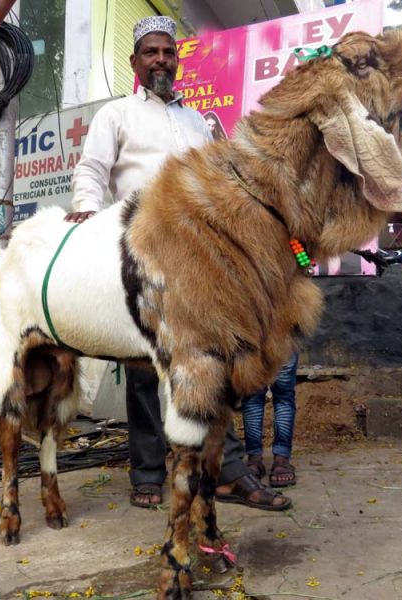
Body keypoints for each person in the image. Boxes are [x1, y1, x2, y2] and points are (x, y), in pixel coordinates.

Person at [66, 15, 290, 512]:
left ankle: (226, 471)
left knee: (216, 364)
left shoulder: (199, 122)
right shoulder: (116, 114)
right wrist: (85, 207)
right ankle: (147, 472)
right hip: (142, 249)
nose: (161, 60)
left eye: (168, 52)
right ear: (136, 62)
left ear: (176, 59)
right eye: (151, 52)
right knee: (146, 368)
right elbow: (92, 170)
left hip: (201, 256)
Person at [242, 353, 299, 487]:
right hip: (281, 338)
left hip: (252, 339)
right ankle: (281, 461)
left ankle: (254, 461)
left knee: (252, 399)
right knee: (283, 397)